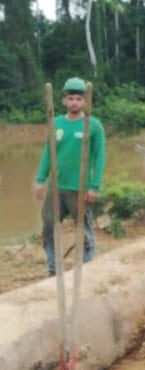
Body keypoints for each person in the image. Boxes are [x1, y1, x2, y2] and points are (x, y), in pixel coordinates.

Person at [34, 77, 106, 277]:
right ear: (64, 101)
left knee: (83, 228)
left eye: (78, 99)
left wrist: (94, 186)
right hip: (57, 187)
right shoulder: (55, 123)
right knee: (48, 226)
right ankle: (53, 267)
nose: (74, 102)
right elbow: (48, 153)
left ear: (85, 102)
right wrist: (40, 179)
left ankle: (86, 266)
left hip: (80, 188)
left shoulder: (93, 125)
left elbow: (99, 157)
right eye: (71, 98)